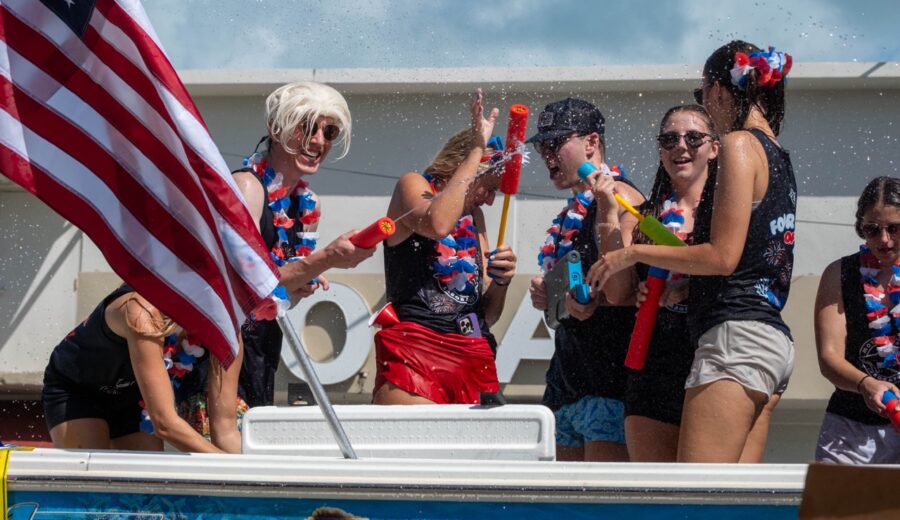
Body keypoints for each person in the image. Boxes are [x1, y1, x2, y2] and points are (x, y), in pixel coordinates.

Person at [588, 41, 796, 463]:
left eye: (704, 97)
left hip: (735, 339)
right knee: (728, 502)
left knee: (690, 500)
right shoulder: (779, 155)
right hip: (768, 338)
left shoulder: (739, 144)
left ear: (718, 92)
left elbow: (722, 257)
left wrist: (634, 255)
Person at [232, 81, 375, 409]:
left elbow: (276, 296)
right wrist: (325, 259)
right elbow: (248, 281)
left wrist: (301, 285)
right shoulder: (247, 188)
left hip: (261, 349)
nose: (318, 141)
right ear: (275, 127)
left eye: (330, 132)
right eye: (307, 127)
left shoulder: (307, 205)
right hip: (218, 348)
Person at [373, 90, 517, 405]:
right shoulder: (412, 185)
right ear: (462, 166)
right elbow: (437, 224)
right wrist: (478, 149)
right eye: (487, 187)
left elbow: (486, 314)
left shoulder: (475, 218)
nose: (490, 199)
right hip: (416, 354)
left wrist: (503, 282)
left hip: (471, 353)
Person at [596, 104, 719, 461]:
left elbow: (733, 268)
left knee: (707, 492)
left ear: (714, 147)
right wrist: (607, 210)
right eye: (669, 139)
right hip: (652, 359)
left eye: (693, 137)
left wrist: (684, 289)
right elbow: (618, 293)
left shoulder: (728, 216)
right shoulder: (643, 216)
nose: (681, 146)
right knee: (655, 491)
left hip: (712, 354)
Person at [527, 98, 644, 462]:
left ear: (591, 142)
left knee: (600, 507)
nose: (547, 154)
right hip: (568, 379)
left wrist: (595, 300)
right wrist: (552, 293)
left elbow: (622, 289)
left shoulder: (621, 197)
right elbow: (585, 284)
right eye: (541, 145)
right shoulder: (572, 210)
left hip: (608, 380)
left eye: (556, 143)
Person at [42, 287, 242, 453]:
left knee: (144, 496)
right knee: (93, 490)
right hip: (78, 388)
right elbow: (165, 423)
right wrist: (230, 468)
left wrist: (251, 479)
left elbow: (225, 430)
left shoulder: (227, 329)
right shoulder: (142, 312)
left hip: (134, 395)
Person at [815, 176, 900, 464]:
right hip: (849, 430)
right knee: (835, 510)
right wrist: (866, 384)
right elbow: (829, 358)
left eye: (894, 228)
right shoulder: (839, 273)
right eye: (872, 230)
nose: (884, 240)